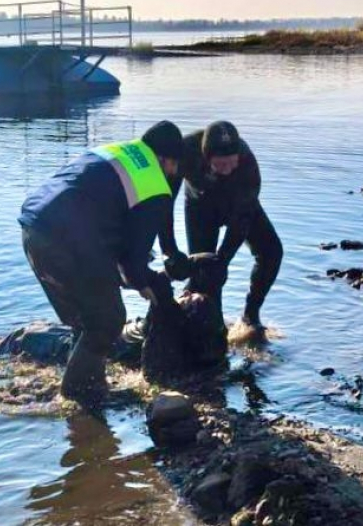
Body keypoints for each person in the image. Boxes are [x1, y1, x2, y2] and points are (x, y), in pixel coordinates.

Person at [17, 121, 183, 405]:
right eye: (174, 167)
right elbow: (133, 260)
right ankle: (80, 396)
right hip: (68, 240)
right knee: (109, 320)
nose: (173, 174)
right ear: (167, 159)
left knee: (85, 320)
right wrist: (145, 284)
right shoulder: (154, 184)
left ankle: (86, 385)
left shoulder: (114, 151)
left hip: (33, 229)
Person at [160, 121, 283, 340]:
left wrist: (222, 260)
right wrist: (169, 250)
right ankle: (206, 330)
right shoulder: (186, 151)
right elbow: (164, 202)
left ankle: (250, 315)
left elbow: (241, 223)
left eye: (231, 164)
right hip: (200, 206)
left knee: (272, 252)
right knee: (204, 278)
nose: (227, 170)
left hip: (239, 204)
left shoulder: (247, 165)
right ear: (206, 158)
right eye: (220, 165)